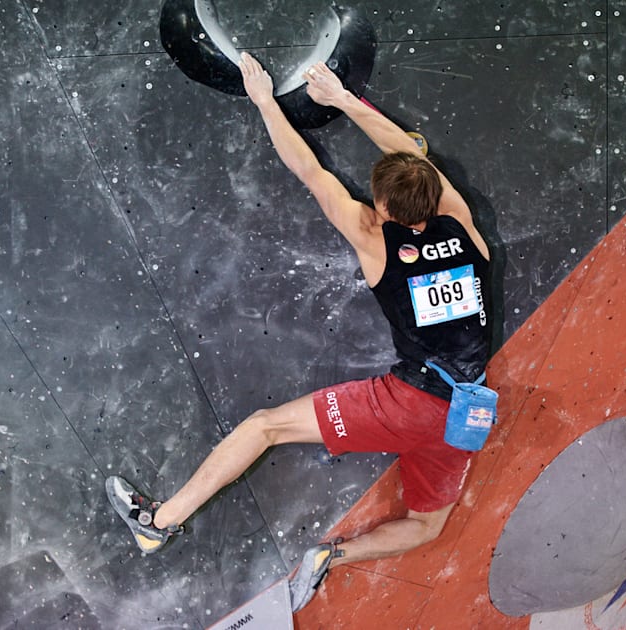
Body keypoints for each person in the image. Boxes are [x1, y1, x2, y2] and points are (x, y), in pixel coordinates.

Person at [107, 51, 493, 613]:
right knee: (428, 524)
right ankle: (331, 556)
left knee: (264, 428)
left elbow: (310, 170)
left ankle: (158, 524)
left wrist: (266, 101)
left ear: (382, 206)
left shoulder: (372, 236)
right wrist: (344, 99)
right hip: (465, 415)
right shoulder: (460, 221)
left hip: (408, 404)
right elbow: (415, 159)